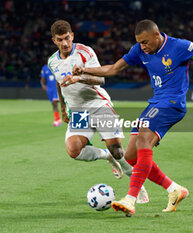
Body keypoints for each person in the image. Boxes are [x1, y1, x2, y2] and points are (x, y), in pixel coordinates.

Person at [63, 19, 193, 217]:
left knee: (143, 137)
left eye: (145, 42)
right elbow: (113, 69)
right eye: (139, 42)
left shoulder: (181, 46)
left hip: (173, 104)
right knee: (131, 156)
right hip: (154, 104)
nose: (142, 47)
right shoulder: (139, 50)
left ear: (157, 35)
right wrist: (84, 70)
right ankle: (174, 189)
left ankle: (130, 199)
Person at [48, 20, 149, 203]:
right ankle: (106, 156)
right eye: (60, 39)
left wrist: (79, 78)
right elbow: (58, 82)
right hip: (78, 111)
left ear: (72, 36)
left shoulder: (85, 52)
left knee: (118, 150)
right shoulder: (52, 61)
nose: (64, 43)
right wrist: (63, 107)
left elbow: (101, 80)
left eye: (67, 38)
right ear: (54, 40)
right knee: (74, 150)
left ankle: (137, 186)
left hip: (98, 104)